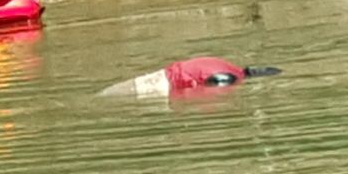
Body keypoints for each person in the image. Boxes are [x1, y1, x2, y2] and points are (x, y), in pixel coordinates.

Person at [97, 56, 283, 98]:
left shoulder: (225, 64)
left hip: (163, 75)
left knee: (107, 95)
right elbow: (211, 84)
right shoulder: (230, 78)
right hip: (165, 85)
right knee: (113, 97)